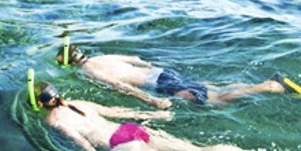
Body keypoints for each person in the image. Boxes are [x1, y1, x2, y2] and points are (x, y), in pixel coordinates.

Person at [35, 83, 255, 151]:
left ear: (40, 104)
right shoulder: (78, 103)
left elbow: (80, 141)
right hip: (130, 129)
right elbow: (116, 111)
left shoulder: (53, 120)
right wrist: (153, 114)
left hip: (118, 143)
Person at [58, 44, 288, 107]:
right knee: (213, 89)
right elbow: (136, 60)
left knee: (215, 102)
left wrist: (150, 100)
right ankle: (259, 85)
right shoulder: (103, 57)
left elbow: (120, 86)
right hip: (162, 72)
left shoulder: (90, 71)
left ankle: (267, 87)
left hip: (157, 85)